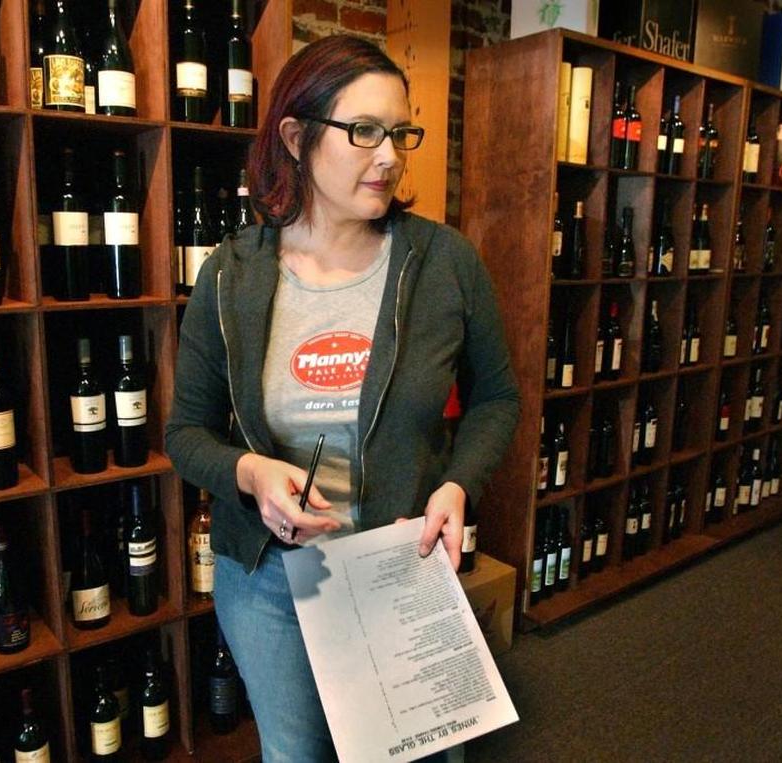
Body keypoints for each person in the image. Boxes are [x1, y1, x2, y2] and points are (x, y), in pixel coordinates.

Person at [165, 34, 519, 761]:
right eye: (363, 132)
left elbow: (497, 398)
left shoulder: (445, 262)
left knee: (417, 755)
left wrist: (458, 483)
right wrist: (251, 473)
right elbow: (185, 433)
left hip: (399, 569)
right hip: (269, 583)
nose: (389, 155)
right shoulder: (230, 275)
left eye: (400, 132)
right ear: (295, 137)